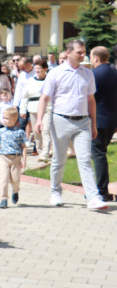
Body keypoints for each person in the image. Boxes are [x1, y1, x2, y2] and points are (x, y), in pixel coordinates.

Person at [36, 39, 109, 211]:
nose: (83, 55)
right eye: (79, 52)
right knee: (59, 160)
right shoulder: (56, 73)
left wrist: (94, 124)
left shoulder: (88, 74)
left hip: (83, 122)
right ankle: (55, 192)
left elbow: (91, 100)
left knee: (84, 160)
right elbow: (44, 98)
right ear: (68, 53)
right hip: (60, 120)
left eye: (84, 52)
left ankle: (93, 197)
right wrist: (39, 120)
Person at [90, 46, 117, 202]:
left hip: (97, 120)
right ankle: (101, 188)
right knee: (101, 153)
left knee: (98, 154)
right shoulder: (115, 73)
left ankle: (101, 190)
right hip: (112, 121)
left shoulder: (93, 75)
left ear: (96, 58)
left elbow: (89, 98)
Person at [0, 106, 28, 209]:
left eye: (7, 118)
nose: (4, 120)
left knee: (15, 180)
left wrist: (24, 160)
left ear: (14, 119)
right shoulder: (0, 132)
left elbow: (24, 147)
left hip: (16, 159)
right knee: (3, 180)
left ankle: (15, 191)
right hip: (3, 158)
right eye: (3, 118)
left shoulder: (20, 132)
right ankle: (4, 199)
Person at [21, 59, 49, 157]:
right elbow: (25, 96)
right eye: (36, 68)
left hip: (47, 109)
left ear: (45, 69)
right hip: (33, 109)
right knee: (37, 132)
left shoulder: (49, 80)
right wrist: (22, 110)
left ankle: (47, 151)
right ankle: (40, 151)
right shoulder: (30, 81)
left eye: (39, 68)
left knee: (46, 130)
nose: (37, 70)